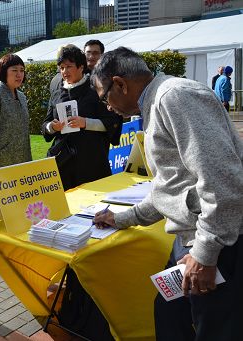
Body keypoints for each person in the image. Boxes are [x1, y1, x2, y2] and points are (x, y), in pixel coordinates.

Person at [92, 47, 243, 340]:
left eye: (103, 97)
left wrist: (204, 254)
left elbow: (223, 182)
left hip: (217, 243)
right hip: (193, 239)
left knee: (214, 328)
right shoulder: (157, 103)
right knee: (168, 315)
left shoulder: (174, 97)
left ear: (120, 84)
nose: (106, 107)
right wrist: (123, 218)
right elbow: (171, 186)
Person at [42, 45, 122, 191]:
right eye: (61, 67)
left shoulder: (96, 89)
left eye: (69, 67)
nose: (64, 72)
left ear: (81, 67)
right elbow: (45, 124)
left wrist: (85, 123)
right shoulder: (56, 92)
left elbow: (112, 122)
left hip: (91, 159)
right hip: (64, 161)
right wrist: (52, 127)